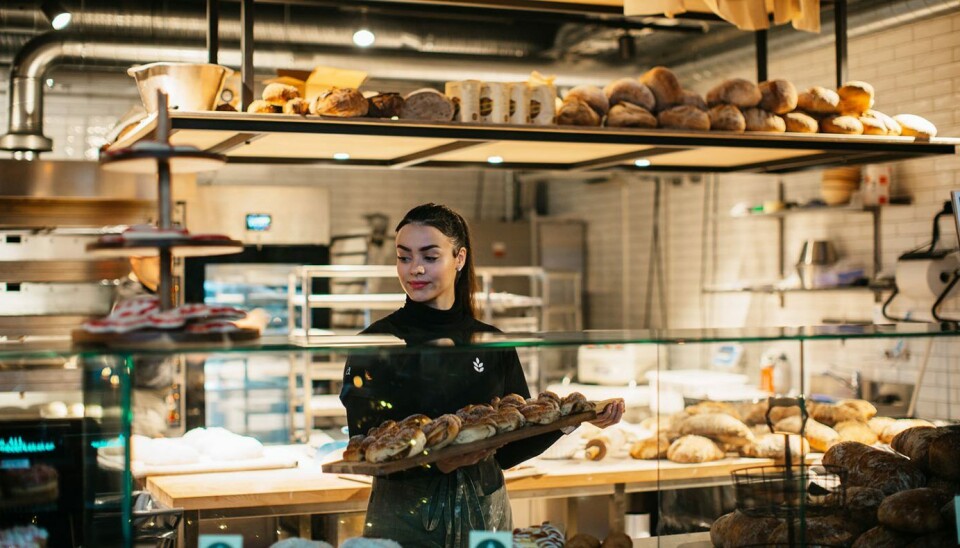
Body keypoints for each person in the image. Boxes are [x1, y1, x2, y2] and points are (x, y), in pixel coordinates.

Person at [339, 203, 624, 547]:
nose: (414, 269)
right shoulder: (378, 343)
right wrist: (438, 465)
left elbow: (510, 443)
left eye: (430, 257)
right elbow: (365, 447)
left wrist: (574, 419)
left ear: (459, 258)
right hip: (406, 516)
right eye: (404, 257)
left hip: (486, 512)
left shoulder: (490, 341)